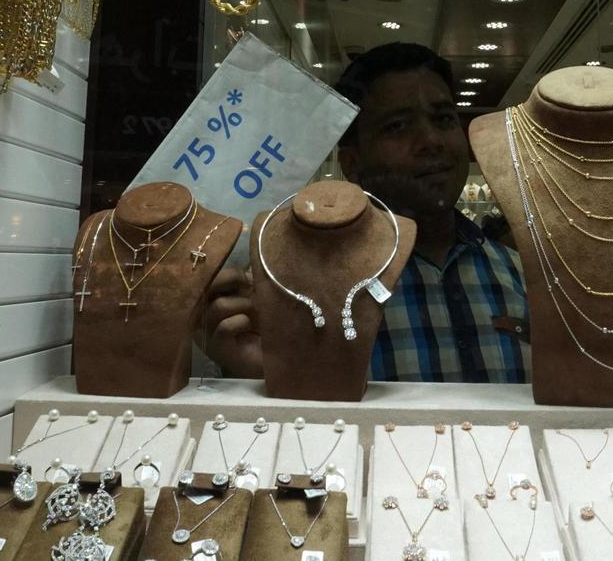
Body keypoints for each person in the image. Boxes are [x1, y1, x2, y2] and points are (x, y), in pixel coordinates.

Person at [202, 42, 530, 383]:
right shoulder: (301, 295)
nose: (432, 140)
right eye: (397, 126)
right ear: (352, 163)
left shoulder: (526, 276)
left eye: (444, 118)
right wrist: (252, 374)